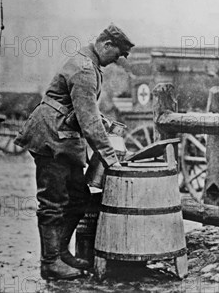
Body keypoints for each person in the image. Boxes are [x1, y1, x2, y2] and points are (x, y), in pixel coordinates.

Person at [14, 24, 134, 280]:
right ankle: (50, 263)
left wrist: (104, 122)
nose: (116, 61)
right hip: (51, 138)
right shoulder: (84, 69)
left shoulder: (90, 64)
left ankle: (60, 253)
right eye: (116, 55)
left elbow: (82, 107)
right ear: (106, 45)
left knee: (78, 199)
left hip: (64, 138)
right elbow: (87, 121)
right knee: (53, 202)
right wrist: (111, 160)